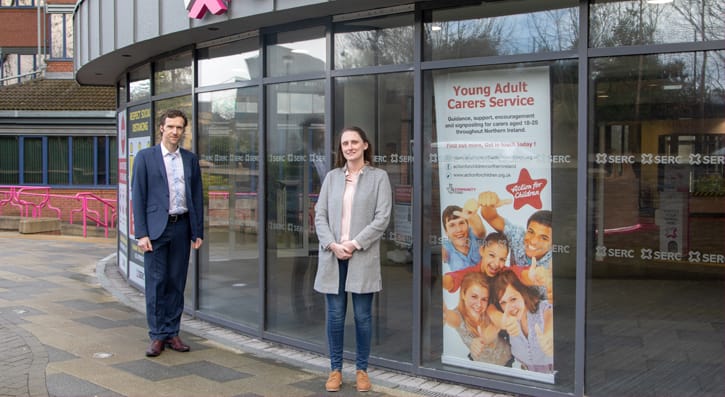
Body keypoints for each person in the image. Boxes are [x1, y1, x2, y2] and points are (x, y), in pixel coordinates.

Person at [313, 126, 392, 393]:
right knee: (335, 317)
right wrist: (333, 244)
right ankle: (335, 369)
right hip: (333, 256)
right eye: (345, 143)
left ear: (365, 145)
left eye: (354, 142)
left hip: (362, 255)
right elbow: (319, 214)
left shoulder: (379, 178)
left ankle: (361, 370)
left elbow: (382, 218)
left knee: (362, 317)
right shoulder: (332, 178)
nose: (349, 147)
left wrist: (354, 243)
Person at [132, 109, 204, 358]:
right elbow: (137, 196)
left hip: (182, 227)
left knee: (176, 282)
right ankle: (156, 336)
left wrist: (198, 231)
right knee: (156, 283)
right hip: (155, 230)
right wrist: (141, 233)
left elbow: (196, 196)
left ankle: (172, 331)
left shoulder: (190, 159)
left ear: (184, 130)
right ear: (161, 128)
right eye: (170, 127)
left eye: (179, 128)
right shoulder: (145, 157)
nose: (175, 132)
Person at [478, 191, 552, 296]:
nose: (534, 241)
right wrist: (488, 203)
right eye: (531, 232)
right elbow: (491, 217)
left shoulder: (553, 263)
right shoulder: (517, 236)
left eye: (544, 238)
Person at [490, 269, 553, 373]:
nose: (509, 307)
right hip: (527, 376)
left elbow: (551, 316)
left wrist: (550, 335)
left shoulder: (543, 309)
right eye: (503, 302)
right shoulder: (508, 320)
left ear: (523, 293)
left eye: (513, 299)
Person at [443, 272, 512, 366]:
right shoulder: (458, 317)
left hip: (506, 360)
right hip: (480, 364)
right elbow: (447, 315)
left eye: (484, 299)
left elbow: (498, 319)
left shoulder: (489, 308)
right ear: (463, 294)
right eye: (474, 297)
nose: (479, 304)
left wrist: (501, 323)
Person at [442, 232, 510, 294]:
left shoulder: (506, 272)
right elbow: (454, 278)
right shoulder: (471, 273)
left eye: (502, 259)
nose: (496, 264)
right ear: (481, 251)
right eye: (492, 255)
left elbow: (518, 272)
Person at [441, 200, 487, 272]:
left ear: (467, 225)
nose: (459, 229)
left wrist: (473, 216)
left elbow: (480, 231)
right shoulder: (446, 246)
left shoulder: (474, 234)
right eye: (452, 225)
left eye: (461, 223)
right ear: (446, 232)